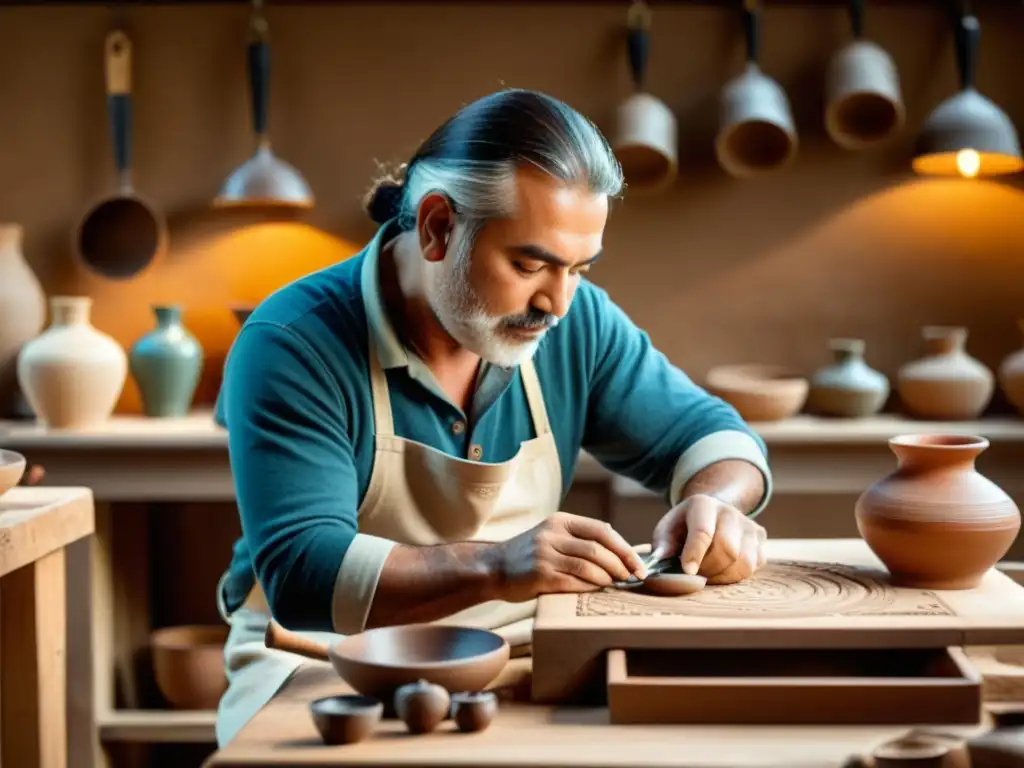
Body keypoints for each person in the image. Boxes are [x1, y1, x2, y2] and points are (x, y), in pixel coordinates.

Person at [212, 88, 773, 746]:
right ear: (437, 227)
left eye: (579, 269)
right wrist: (496, 567)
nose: (557, 303)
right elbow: (305, 575)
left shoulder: (577, 320)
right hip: (320, 663)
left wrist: (718, 505)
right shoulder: (294, 341)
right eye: (529, 264)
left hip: (520, 654)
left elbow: (714, 438)